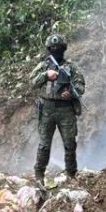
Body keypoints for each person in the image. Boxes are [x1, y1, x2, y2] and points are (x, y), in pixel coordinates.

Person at [29, 34, 86, 183]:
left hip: (66, 109)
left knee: (69, 143)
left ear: (63, 49)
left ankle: (71, 174)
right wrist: (46, 75)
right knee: (44, 144)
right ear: (49, 49)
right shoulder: (43, 66)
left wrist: (71, 93)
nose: (56, 49)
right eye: (53, 47)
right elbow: (32, 82)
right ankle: (39, 174)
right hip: (47, 109)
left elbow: (80, 86)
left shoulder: (71, 67)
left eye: (59, 47)